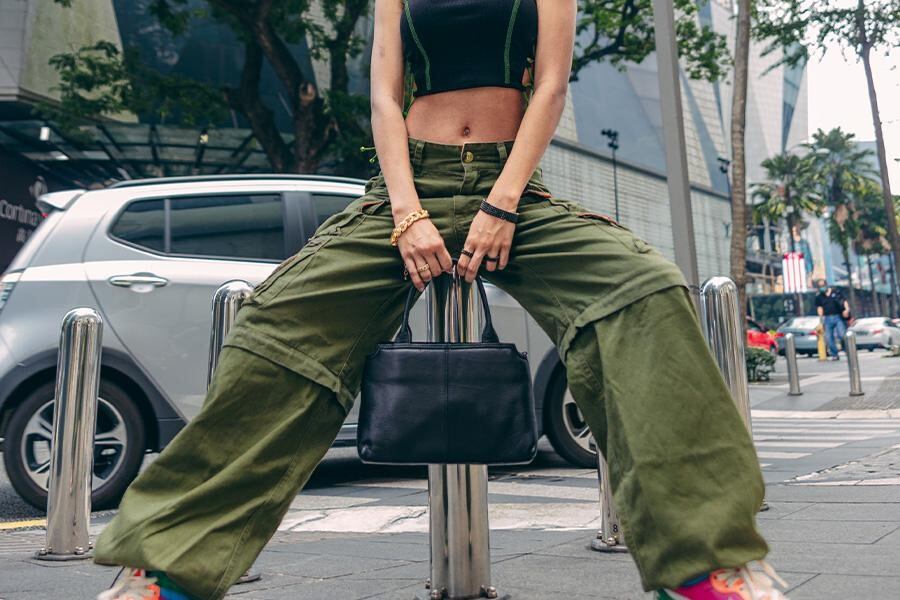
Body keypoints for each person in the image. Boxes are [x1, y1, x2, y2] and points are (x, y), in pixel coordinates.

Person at [94, 2, 788, 599]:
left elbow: (549, 87)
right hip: (408, 190)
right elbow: (383, 98)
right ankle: (164, 568)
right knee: (280, 319)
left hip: (511, 188)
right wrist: (405, 214)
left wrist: (503, 204)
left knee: (646, 290)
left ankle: (703, 564)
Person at [814, 278, 851, 361]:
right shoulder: (819, 296)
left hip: (837, 316)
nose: (822, 288)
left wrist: (846, 309)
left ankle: (847, 349)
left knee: (842, 334)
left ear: (826, 285)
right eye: (820, 286)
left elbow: (844, 301)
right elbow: (819, 308)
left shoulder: (836, 292)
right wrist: (821, 320)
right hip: (827, 318)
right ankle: (835, 354)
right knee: (828, 337)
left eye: (823, 286)